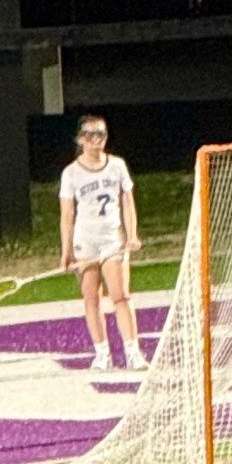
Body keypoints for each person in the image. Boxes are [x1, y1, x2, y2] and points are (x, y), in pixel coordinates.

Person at [58, 114, 147, 371]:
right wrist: (66, 251)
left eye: (101, 134)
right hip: (86, 241)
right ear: (80, 139)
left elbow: (127, 201)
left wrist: (132, 234)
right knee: (91, 298)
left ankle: (132, 352)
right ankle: (102, 353)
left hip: (111, 239)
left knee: (120, 295)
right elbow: (67, 214)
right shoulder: (71, 173)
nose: (96, 139)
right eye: (90, 134)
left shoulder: (117, 166)